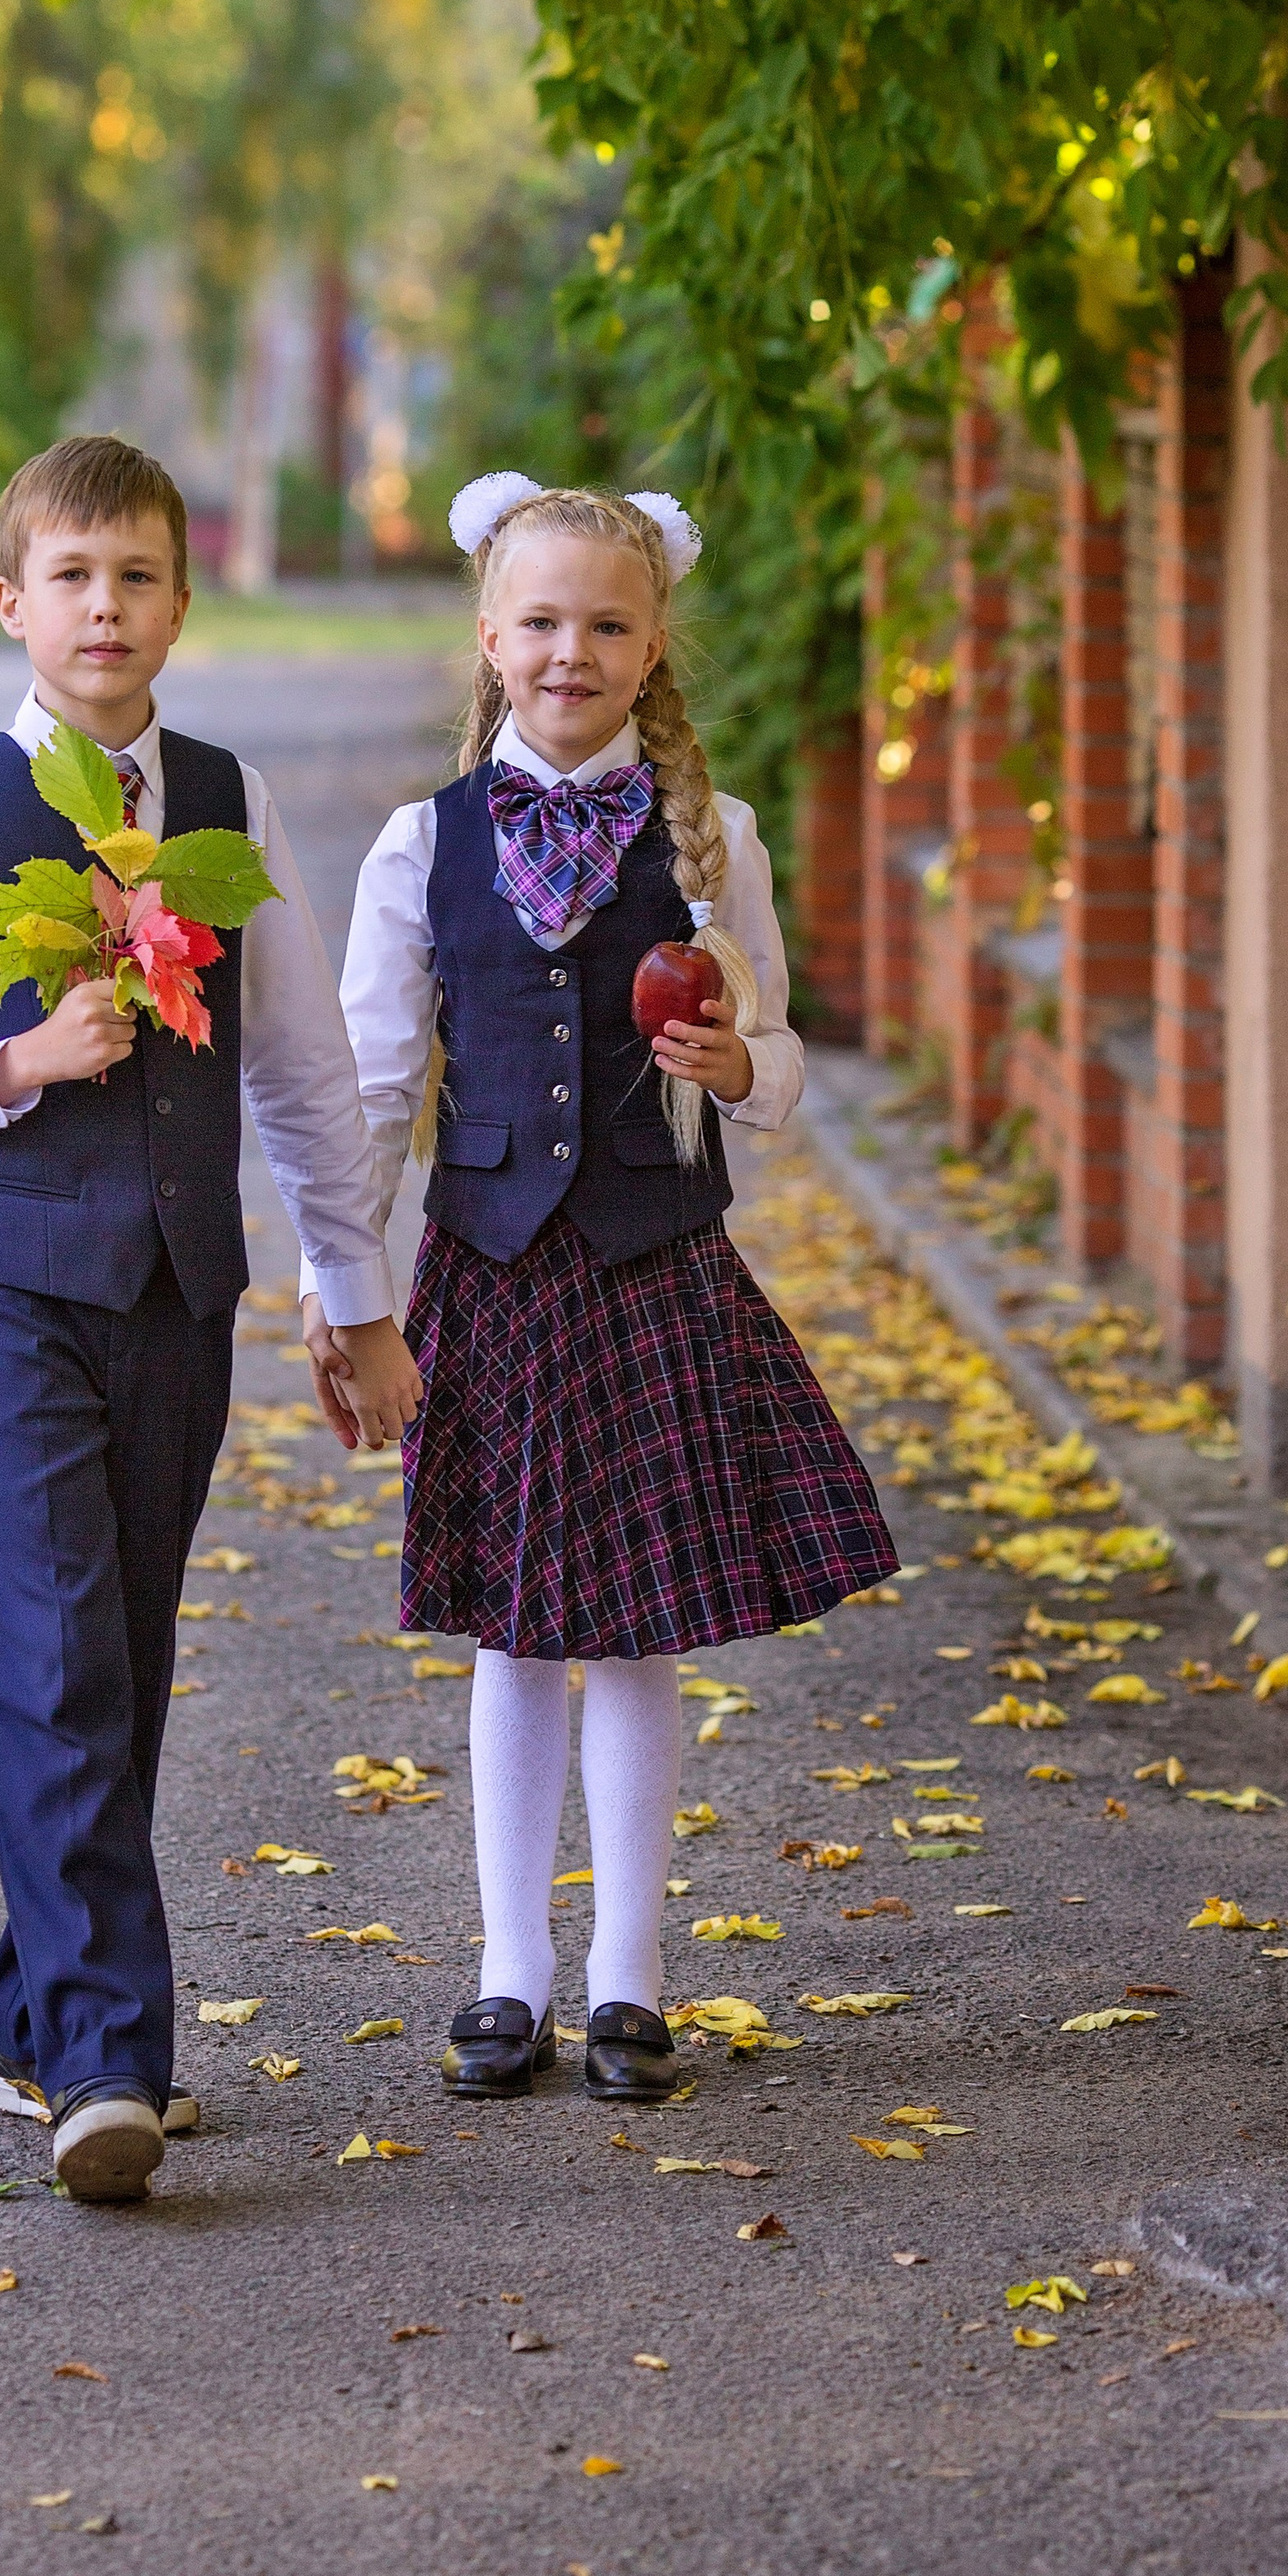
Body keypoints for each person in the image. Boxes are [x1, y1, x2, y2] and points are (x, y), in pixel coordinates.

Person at [0, 434, 421, 2203]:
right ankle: (111, 2063)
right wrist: (16, 1062)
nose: (106, 607)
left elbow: (311, 1077)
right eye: (71, 576)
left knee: (123, 1663)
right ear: (12, 603)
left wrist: (358, 1297)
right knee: (63, 1653)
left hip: (177, 1293)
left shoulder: (225, 817)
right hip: (12, 1287)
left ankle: (30, 2017)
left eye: (138, 575)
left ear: (182, 599)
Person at [304, 473, 896, 2104]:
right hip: (488, 1275)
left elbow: (780, 1073)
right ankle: (509, 1975)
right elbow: (364, 1083)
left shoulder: (719, 844)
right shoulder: (421, 843)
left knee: (640, 1639)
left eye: (608, 623)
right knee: (513, 1633)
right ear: (492, 639)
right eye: (543, 620)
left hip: (653, 1265)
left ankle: (630, 1979)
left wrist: (737, 1057)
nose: (573, 650)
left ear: (652, 647)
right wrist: (339, 1287)